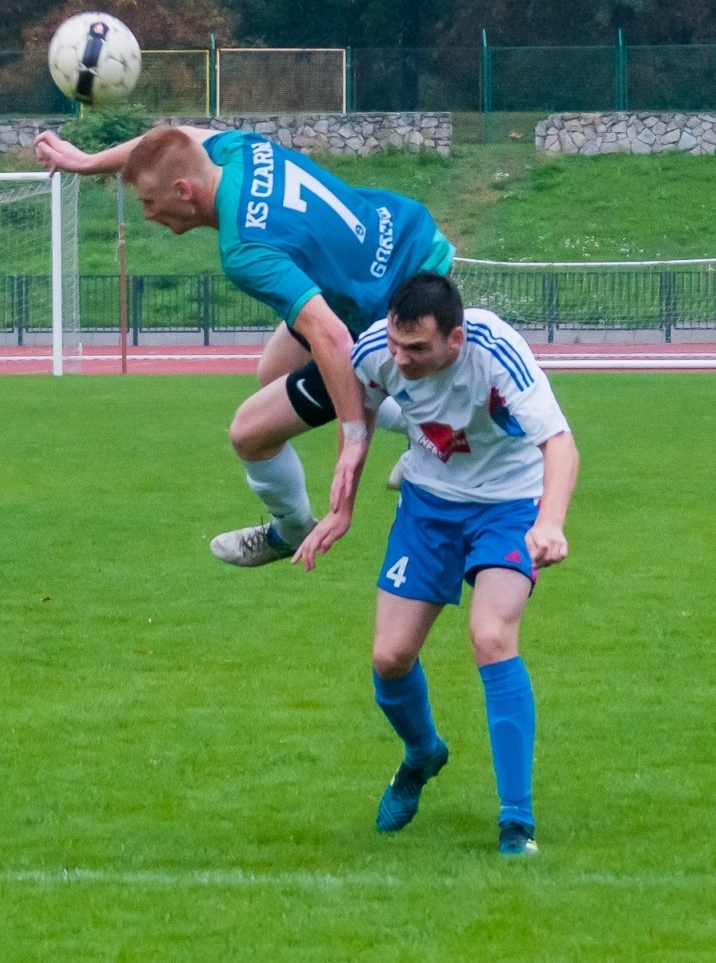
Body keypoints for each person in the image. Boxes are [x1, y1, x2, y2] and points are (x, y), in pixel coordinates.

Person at [34, 125, 454, 567]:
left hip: (392, 304)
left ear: (183, 191)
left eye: (149, 203)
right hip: (408, 237)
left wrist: (353, 440)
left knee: (249, 434)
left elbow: (333, 337)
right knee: (274, 372)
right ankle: (416, 424)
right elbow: (173, 135)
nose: (147, 216)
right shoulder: (240, 151)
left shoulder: (244, 248)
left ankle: (293, 528)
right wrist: (84, 162)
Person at [293, 273, 578, 856]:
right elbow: (358, 419)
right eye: (397, 345)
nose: (402, 358)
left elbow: (560, 443)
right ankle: (422, 753)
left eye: (418, 349)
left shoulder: (497, 351)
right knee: (390, 657)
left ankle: (515, 824)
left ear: (456, 336)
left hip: (510, 505)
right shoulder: (376, 349)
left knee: (491, 636)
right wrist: (340, 510)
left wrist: (549, 522)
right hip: (429, 503)